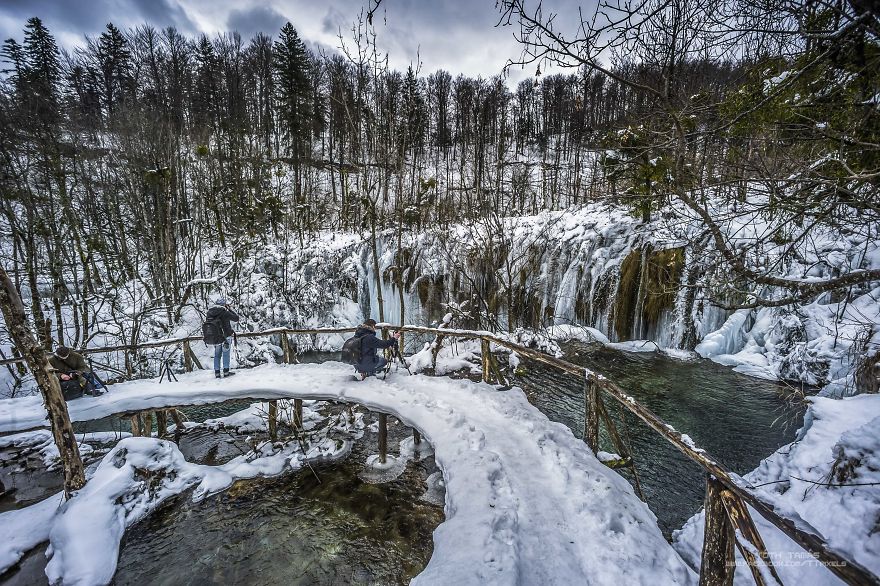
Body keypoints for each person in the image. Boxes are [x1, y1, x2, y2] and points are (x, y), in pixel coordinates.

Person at [206, 298, 239, 378]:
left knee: (217, 355)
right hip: (226, 337)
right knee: (226, 354)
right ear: (224, 305)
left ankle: (217, 373)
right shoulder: (225, 312)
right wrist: (229, 309)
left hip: (216, 337)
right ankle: (226, 372)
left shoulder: (210, 313)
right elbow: (236, 318)